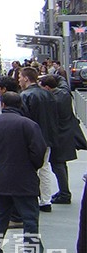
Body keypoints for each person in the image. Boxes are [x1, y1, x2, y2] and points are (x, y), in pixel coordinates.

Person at [0, 91, 46, 253]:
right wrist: (31, 166)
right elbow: (38, 153)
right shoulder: (29, 125)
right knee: (30, 219)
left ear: (2, 104)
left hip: (1, 179)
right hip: (25, 180)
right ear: (20, 105)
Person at [19, 66, 59, 211]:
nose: (18, 80)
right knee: (44, 167)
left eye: (19, 77)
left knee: (30, 169)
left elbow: (24, 120)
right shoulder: (48, 94)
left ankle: (31, 199)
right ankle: (46, 200)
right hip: (47, 137)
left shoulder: (25, 96)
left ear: (25, 78)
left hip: (32, 139)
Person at [39, 74, 77, 204]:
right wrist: (52, 75)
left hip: (58, 135)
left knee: (57, 165)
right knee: (61, 165)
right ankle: (64, 191)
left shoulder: (52, 100)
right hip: (67, 133)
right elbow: (62, 80)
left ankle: (65, 194)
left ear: (48, 88)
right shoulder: (65, 93)